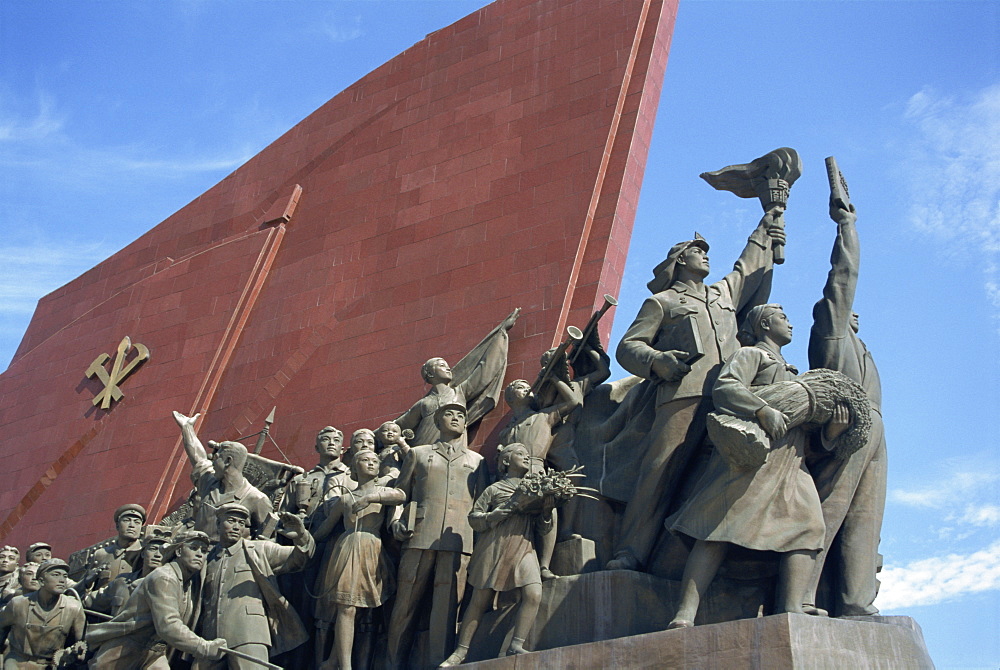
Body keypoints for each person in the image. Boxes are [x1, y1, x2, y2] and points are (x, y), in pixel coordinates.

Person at [607, 209, 785, 571]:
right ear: (680, 260)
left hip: (731, 396)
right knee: (660, 470)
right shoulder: (663, 302)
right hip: (682, 395)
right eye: (696, 251)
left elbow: (747, 266)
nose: (705, 255)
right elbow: (629, 346)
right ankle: (631, 551)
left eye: (705, 251)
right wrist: (657, 361)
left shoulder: (722, 295)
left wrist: (767, 224)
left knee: (720, 471)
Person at [665, 305, 834, 627]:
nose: (790, 324)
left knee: (810, 526)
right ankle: (684, 614)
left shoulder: (794, 371)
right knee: (717, 529)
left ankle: (792, 607)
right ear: (765, 324)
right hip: (754, 455)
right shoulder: (752, 355)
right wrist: (761, 410)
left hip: (792, 459)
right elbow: (726, 387)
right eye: (784, 318)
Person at [804, 198, 887, 616]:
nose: (853, 311)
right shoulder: (831, 333)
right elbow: (843, 276)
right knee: (830, 511)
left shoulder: (860, 345)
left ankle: (856, 600)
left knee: (865, 518)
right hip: (849, 426)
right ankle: (801, 594)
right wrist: (846, 226)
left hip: (874, 428)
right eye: (844, 308)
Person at [385, 403, 490, 669]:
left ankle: (438, 662)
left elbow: (483, 502)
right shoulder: (419, 454)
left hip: (458, 538)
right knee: (405, 604)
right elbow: (401, 493)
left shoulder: (477, 462)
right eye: (449, 414)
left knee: (446, 607)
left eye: (461, 415)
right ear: (437, 421)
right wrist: (396, 520)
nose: (456, 418)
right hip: (419, 534)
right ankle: (392, 663)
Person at [440, 443, 555, 666]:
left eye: (527, 454)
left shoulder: (534, 488)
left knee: (533, 593)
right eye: (520, 453)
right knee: (480, 600)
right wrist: (494, 515)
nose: (526, 456)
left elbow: (544, 528)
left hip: (524, 544)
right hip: (495, 546)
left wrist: (547, 511)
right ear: (506, 461)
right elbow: (474, 518)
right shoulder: (494, 489)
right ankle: (460, 652)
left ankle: (516, 645)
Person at [311, 449, 405, 670]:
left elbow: (400, 495)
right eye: (364, 460)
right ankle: (344, 666)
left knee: (361, 607)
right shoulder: (345, 498)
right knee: (347, 607)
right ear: (354, 468)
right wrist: (302, 535)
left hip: (372, 549)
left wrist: (371, 497)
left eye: (374, 460)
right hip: (349, 548)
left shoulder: (384, 491)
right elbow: (324, 531)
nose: (371, 463)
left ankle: (334, 658)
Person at [87, 530, 228, 669]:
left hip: (154, 652)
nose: (199, 554)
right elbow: (168, 625)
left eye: (204, 551)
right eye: (193, 548)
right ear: (178, 552)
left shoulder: (188, 584)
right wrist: (204, 647)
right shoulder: (164, 577)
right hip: (125, 651)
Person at [198, 503, 315, 669]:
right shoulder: (207, 559)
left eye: (241, 523)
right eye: (231, 521)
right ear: (218, 524)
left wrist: (301, 536)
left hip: (249, 635)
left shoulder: (258, 550)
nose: (236, 527)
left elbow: (300, 559)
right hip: (210, 639)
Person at [395, 309, 519, 446]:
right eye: (441, 365)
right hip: (423, 449)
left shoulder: (459, 392)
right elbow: (400, 424)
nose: (448, 368)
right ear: (430, 374)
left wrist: (501, 334)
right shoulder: (424, 404)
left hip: (452, 451)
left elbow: (484, 372)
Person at [498, 377, 580, 578]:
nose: (526, 389)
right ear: (509, 398)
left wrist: (557, 378)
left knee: (548, 512)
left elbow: (573, 402)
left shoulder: (543, 417)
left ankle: (544, 565)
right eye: (519, 386)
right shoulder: (505, 433)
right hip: (512, 478)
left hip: (537, 470)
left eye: (528, 387)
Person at [172, 411, 276, 541]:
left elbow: (268, 538)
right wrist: (187, 427)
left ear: (228, 461)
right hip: (197, 554)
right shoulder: (210, 483)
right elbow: (198, 458)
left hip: (227, 557)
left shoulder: (256, 499)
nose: (213, 463)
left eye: (216, 459)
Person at [0, 559, 87, 669]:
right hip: (18, 662)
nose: (62, 580)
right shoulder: (17, 604)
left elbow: (81, 644)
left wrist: (75, 654)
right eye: (56, 575)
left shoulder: (74, 608)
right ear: (41, 581)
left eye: (65, 576)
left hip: (51, 665)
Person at [85, 526, 172, 618]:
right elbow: (88, 602)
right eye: (153, 549)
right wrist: (86, 584)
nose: (158, 555)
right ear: (143, 553)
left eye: (163, 551)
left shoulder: (171, 587)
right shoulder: (121, 582)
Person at [80, 504, 147, 594]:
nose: (132, 525)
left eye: (137, 522)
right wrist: (87, 583)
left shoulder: (145, 554)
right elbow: (86, 588)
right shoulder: (101, 554)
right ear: (117, 526)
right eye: (127, 521)